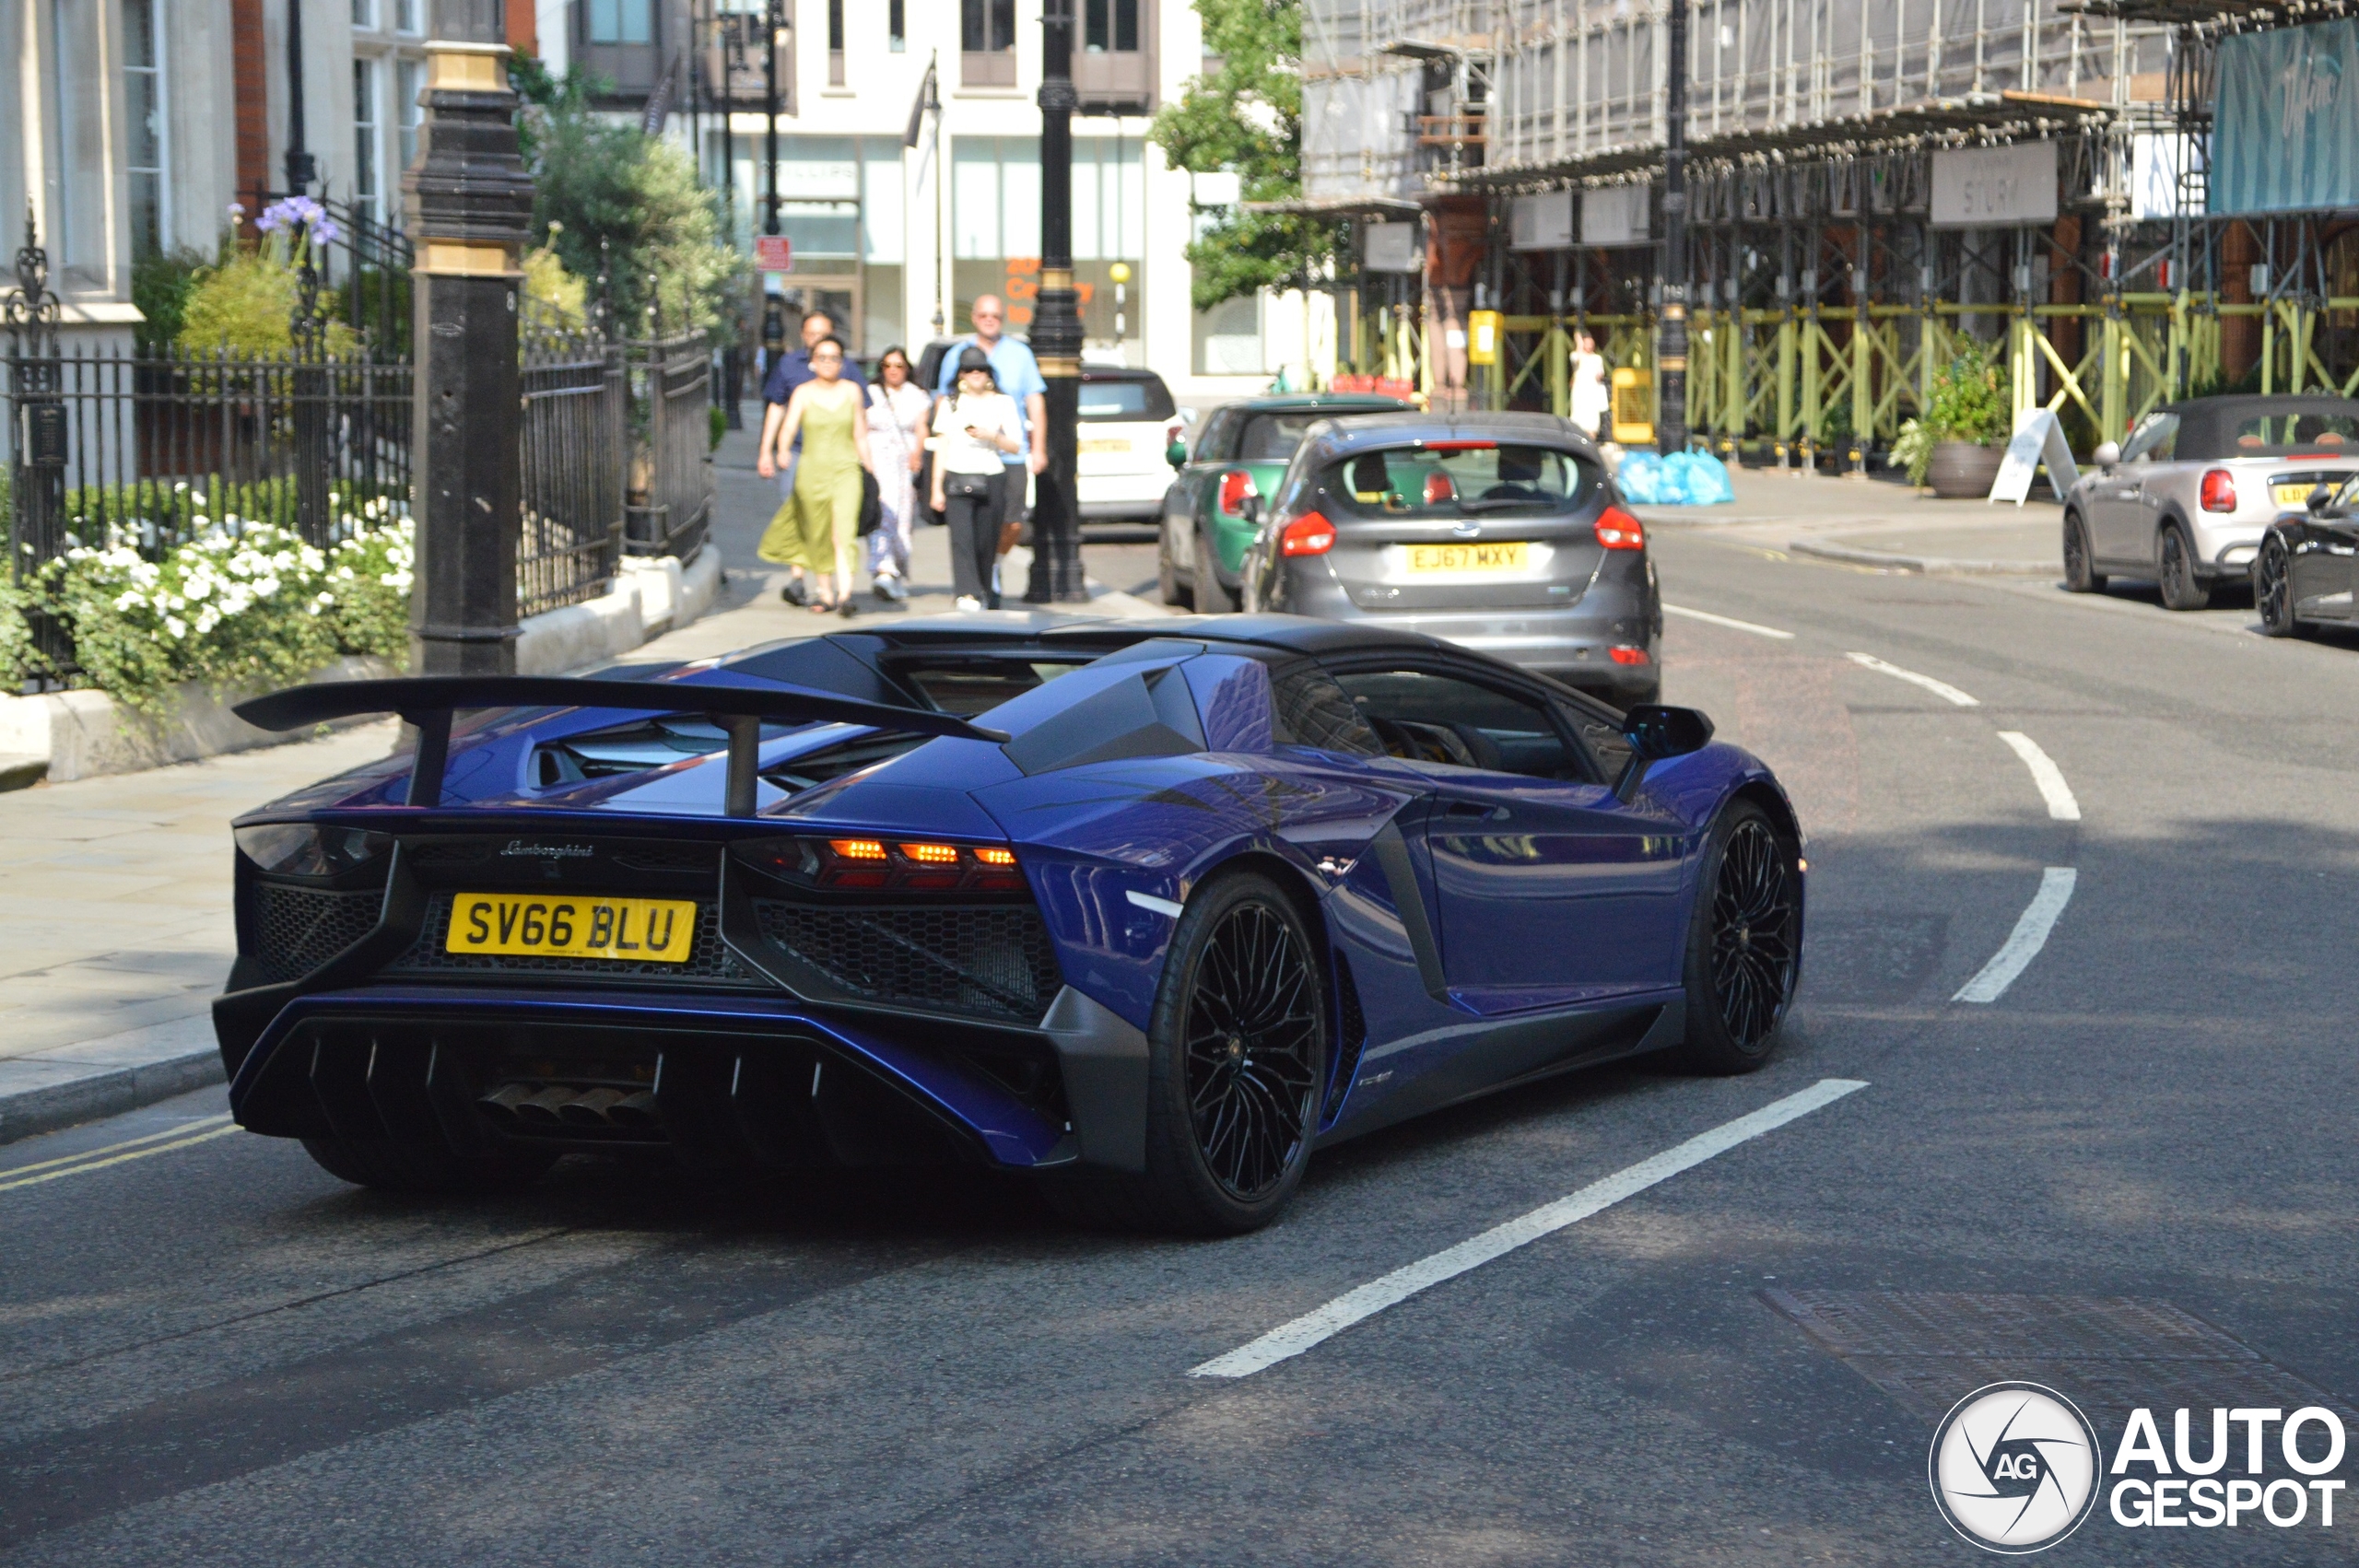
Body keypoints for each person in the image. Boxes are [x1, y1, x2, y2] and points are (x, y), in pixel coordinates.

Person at [757, 308, 869, 605]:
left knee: (842, 530)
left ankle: (843, 594)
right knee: (808, 523)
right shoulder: (790, 368)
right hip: (802, 459)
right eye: (813, 334)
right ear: (805, 337)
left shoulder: (850, 380)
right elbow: (778, 410)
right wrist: (771, 450)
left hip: (844, 465)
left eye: (824, 334)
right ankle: (806, 583)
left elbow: (861, 427)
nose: (827, 360)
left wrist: (869, 466)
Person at [932, 295, 1046, 547]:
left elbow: (1035, 402)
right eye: (983, 315)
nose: (989, 321)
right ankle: (984, 573)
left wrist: (1038, 449)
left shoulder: (1020, 353)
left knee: (1013, 521)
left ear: (1002, 319)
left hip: (1012, 454)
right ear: (974, 318)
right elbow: (943, 400)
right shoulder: (957, 354)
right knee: (978, 521)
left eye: (995, 316)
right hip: (970, 456)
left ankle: (995, 564)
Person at [930, 347, 1025, 611]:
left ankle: (982, 589)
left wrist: (992, 435)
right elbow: (942, 444)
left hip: (991, 476)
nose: (975, 374)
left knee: (986, 540)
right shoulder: (950, 402)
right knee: (962, 538)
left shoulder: (1002, 402)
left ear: (988, 373)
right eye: (969, 370)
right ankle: (966, 593)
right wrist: (936, 488)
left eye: (980, 369)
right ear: (961, 374)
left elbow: (1015, 445)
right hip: (957, 476)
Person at [865, 345, 930, 603]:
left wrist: (918, 455)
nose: (893, 370)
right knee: (880, 515)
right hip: (875, 461)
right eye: (888, 365)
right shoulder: (869, 393)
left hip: (903, 463)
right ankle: (883, 569)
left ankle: (897, 573)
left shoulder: (917, 395)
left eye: (898, 365)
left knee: (902, 520)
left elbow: (922, 427)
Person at [1569, 332, 1610, 441]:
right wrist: (1579, 343)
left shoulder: (1597, 358)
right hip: (1580, 392)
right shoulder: (1575, 355)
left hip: (1592, 392)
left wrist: (1599, 376)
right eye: (1586, 343)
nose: (1589, 346)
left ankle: (1592, 441)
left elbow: (1600, 374)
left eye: (1591, 343)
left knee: (1592, 421)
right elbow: (1576, 359)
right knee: (1578, 418)